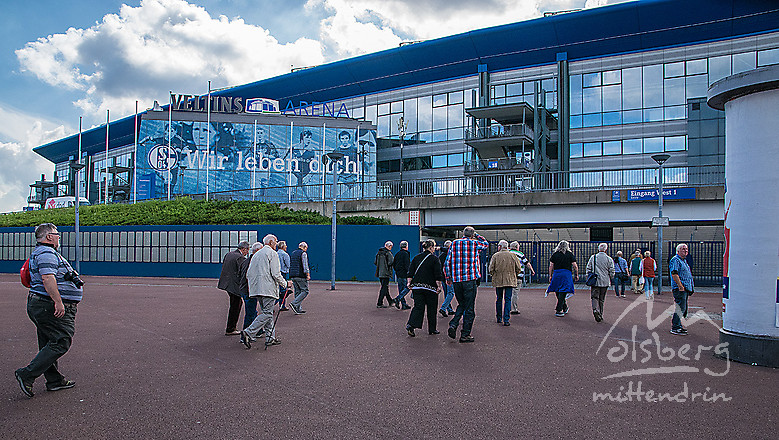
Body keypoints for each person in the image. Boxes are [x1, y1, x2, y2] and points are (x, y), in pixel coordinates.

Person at [15, 223, 83, 398]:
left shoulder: (42, 252)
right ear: (49, 237)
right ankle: (27, 374)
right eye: (56, 234)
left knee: (47, 343)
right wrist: (58, 302)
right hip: (48, 305)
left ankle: (54, 380)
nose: (59, 237)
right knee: (61, 341)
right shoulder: (46, 253)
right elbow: (47, 278)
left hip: (41, 304)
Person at [240, 234, 292, 348]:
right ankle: (248, 332)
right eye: (276, 241)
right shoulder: (272, 253)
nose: (277, 243)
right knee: (268, 313)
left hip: (257, 289)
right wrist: (285, 284)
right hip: (268, 289)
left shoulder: (256, 254)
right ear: (271, 242)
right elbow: (275, 273)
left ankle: (270, 338)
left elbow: (249, 274)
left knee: (266, 313)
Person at [444, 226, 489, 343]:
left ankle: (453, 324)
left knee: (462, 304)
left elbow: (447, 262)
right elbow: (486, 244)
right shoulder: (474, 244)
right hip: (469, 279)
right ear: (472, 235)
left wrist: (448, 277)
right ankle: (465, 334)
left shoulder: (454, 243)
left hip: (457, 280)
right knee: (469, 308)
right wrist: (477, 235)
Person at [405, 239, 445, 336]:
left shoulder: (417, 257)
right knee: (432, 308)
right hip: (430, 287)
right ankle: (432, 329)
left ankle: (411, 324)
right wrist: (439, 286)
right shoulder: (435, 259)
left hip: (417, 286)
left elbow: (410, 271)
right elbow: (437, 274)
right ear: (431, 247)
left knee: (418, 307)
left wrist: (409, 283)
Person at [218, 241, 249, 335]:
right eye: (247, 250)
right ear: (244, 249)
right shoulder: (240, 257)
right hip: (234, 285)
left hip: (226, 283)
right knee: (236, 305)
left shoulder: (229, 254)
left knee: (235, 304)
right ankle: (231, 328)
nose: (247, 252)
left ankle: (231, 327)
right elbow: (243, 271)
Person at [488, 240, 522, 326]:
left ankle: (499, 317)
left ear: (500, 246)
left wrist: (493, 275)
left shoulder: (495, 255)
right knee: (508, 299)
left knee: (499, 298)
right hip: (510, 280)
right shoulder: (513, 255)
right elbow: (518, 268)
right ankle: (506, 319)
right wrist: (514, 274)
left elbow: (491, 269)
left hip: (498, 279)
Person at [586, 243, 616, 323]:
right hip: (605, 281)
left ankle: (595, 309)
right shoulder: (609, 259)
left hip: (595, 280)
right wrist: (611, 277)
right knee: (602, 299)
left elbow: (588, 268)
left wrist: (588, 276)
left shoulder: (593, 257)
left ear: (598, 248)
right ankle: (601, 313)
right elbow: (612, 270)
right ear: (606, 249)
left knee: (594, 297)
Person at [547, 240, 578, 317]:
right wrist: (576, 274)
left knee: (557, 290)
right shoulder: (570, 254)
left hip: (557, 273)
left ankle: (564, 307)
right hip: (566, 274)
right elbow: (575, 265)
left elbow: (551, 266)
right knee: (563, 290)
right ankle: (559, 309)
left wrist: (550, 275)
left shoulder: (555, 254)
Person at [669, 243, 694, 336]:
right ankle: (675, 327)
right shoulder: (675, 260)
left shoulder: (684, 261)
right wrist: (680, 286)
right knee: (681, 308)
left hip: (685, 288)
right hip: (680, 289)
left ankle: (678, 325)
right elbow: (674, 273)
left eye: (686, 249)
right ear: (678, 251)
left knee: (684, 309)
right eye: (683, 249)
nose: (686, 251)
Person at [238, 242, 263, 330]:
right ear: (257, 251)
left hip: (245, 289)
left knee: (253, 311)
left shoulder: (246, 261)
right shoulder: (253, 262)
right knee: (250, 313)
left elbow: (240, 275)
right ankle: (246, 333)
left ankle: (258, 330)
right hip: (249, 290)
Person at [508, 241, 535, 315]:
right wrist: (532, 271)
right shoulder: (520, 254)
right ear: (517, 247)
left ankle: (507, 308)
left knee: (508, 292)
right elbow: (527, 264)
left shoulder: (507, 253)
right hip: (518, 276)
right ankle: (514, 308)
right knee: (515, 293)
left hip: (508, 276)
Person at [288, 242, 311, 315]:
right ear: (304, 247)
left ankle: (298, 308)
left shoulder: (293, 253)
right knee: (305, 291)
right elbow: (305, 265)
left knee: (297, 291)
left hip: (293, 275)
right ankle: (294, 304)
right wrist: (307, 274)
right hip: (300, 275)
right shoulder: (303, 253)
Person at [438, 240, 456, 316]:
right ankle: (443, 308)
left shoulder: (440, 256)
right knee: (451, 293)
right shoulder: (450, 255)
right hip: (449, 277)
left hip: (442, 277)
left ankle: (449, 309)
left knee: (446, 293)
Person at [375, 241, 395, 308]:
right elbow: (391, 262)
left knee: (385, 287)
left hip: (380, 272)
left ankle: (390, 301)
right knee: (384, 287)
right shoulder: (388, 253)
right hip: (386, 273)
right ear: (389, 246)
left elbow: (375, 262)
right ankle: (379, 303)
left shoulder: (378, 253)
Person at [392, 241, 412, 310]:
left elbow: (394, 264)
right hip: (404, 274)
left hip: (398, 273)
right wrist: (409, 272)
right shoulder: (406, 254)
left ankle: (403, 303)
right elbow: (407, 265)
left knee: (401, 289)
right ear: (406, 246)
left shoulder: (397, 254)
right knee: (408, 287)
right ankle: (398, 298)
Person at [276, 240, 291, 311]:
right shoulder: (285, 254)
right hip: (284, 272)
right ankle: (282, 305)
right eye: (285, 245)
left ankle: (272, 305)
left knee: (277, 289)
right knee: (283, 289)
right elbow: (288, 265)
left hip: (277, 272)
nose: (286, 247)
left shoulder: (275, 253)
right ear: (282, 246)